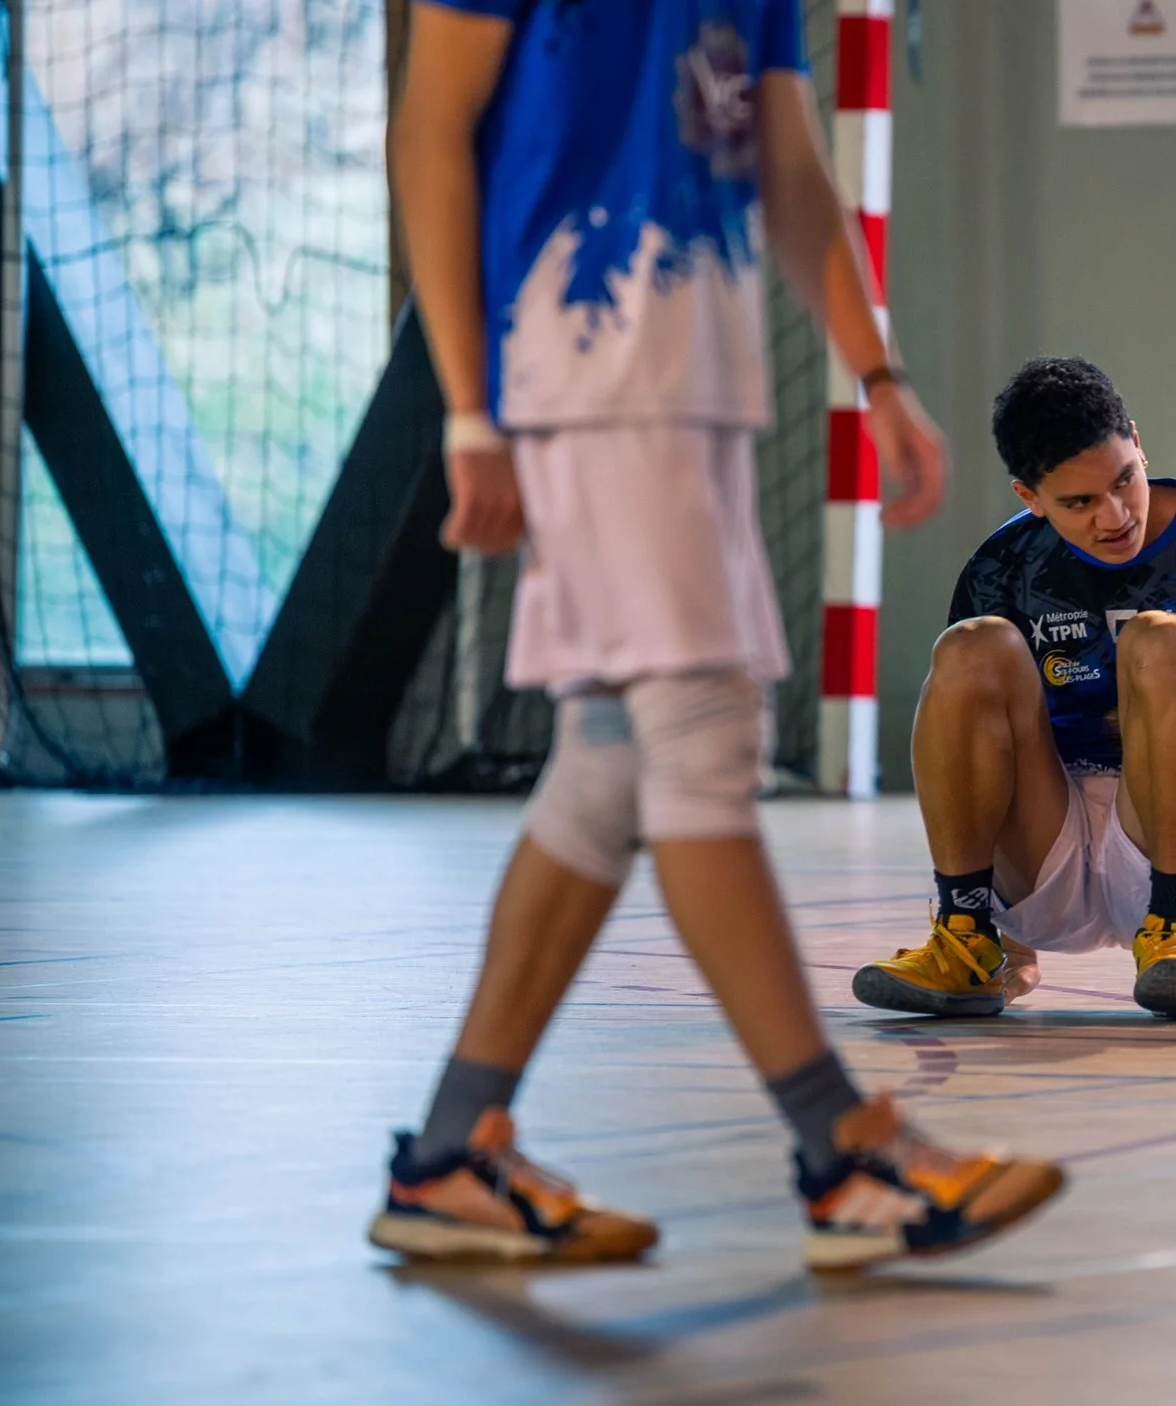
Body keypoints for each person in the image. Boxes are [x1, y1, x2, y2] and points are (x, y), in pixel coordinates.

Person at [372, 0, 1063, 1272]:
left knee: (607, 766)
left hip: (699, 385)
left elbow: (789, 165)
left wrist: (879, 371)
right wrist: (470, 409)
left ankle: (450, 1155)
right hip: (582, 368)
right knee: (697, 740)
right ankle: (842, 1149)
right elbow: (428, 133)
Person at [853, 357, 1176, 1021]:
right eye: (1078, 503)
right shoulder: (1001, 571)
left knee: (1163, 639)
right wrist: (1018, 950)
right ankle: (967, 943)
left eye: (1124, 480)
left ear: (1135, 438)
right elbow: (979, 748)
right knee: (969, 648)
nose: (1115, 515)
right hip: (1051, 849)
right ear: (1029, 498)